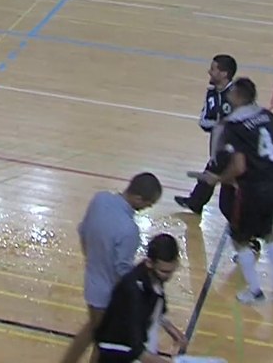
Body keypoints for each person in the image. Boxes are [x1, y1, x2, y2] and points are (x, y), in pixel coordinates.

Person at [199, 76, 273, 304]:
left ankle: (256, 292)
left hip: (254, 188)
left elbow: (239, 166)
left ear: (238, 97)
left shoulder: (234, 126)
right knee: (268, 231)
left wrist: (218, 178)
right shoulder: (268, 116)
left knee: (239, 237)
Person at [62, 172, 164, 363]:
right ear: (138, 198)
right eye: (148, 203)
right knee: (104, 343)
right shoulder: (129, 229)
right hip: (109, 294)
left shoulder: (100, 199)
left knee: (92, 332)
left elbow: (83, 231)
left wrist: (92, 261)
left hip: (92, 283)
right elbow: (122, 271)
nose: (147, 207)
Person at [92, 233, 188, 363]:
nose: (167, 277)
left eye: (171, 271)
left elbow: (154, 310)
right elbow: (137, 351)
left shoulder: (153, 278)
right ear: (149, 263)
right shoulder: (133, 292)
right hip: (118, 354)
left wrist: (171, 329)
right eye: (164, 272)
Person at [174, 54, 237, 215]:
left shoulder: (237, 95)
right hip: (219, 148)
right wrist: (219, 125)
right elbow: (203, 121)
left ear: (224, 74)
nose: (209, 72)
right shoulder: (211, 94)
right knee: (211, 173)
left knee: (227, 195)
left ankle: (247, 232)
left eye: (213, 69)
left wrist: (222, 126)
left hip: (235, 152)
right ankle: (196, 202)